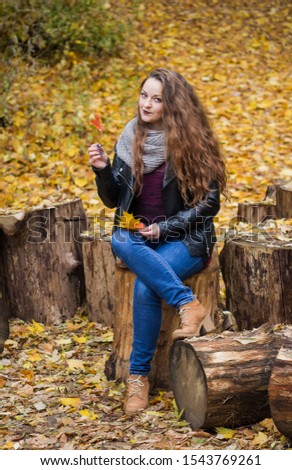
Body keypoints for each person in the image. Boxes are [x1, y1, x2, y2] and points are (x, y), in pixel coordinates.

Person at [88, 68, 227, 415]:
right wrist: (105, 170)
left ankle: (138, 378)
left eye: (156, 98)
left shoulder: (191, 140)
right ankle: (187, 304)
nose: (146, 104)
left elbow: (210, 204)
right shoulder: (129, 136)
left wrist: (165, 230)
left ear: (172, 105)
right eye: (143, 95)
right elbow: (113, 199)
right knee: (119, 238)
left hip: (186, 239)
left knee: (145, 288)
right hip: (138, 236)